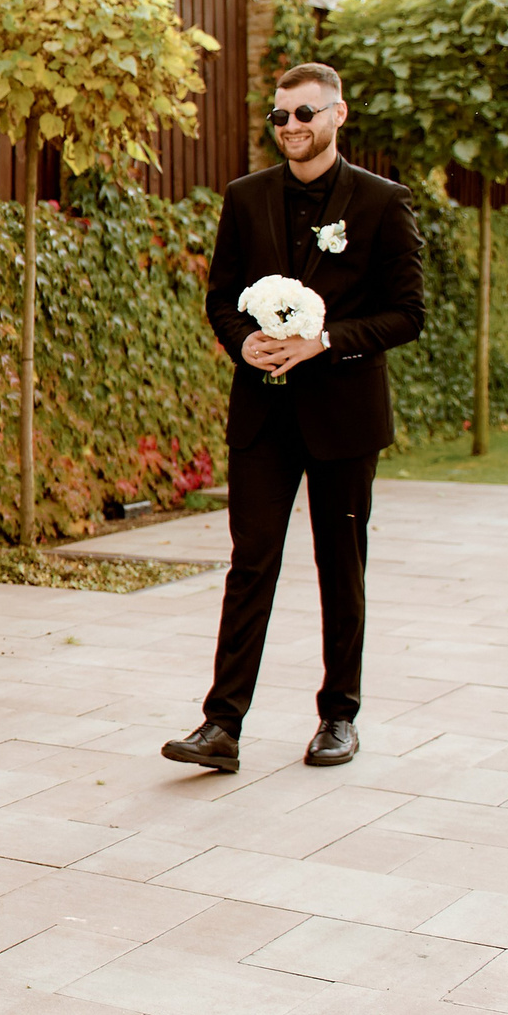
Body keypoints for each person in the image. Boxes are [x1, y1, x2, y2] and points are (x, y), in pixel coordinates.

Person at [163, 63, 423, 775]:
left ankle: (338, 718)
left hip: (344, 416)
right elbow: (221, 297)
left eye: (304, 115)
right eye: (280, 117)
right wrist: (239, 340)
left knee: (340, 568)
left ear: (338, 114)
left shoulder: (382, 201)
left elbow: (408, 314)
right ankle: (221, 726)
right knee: (251, 566)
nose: (291, 128)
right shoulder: (245, 199)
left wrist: (325, 340)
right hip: (263, 417)